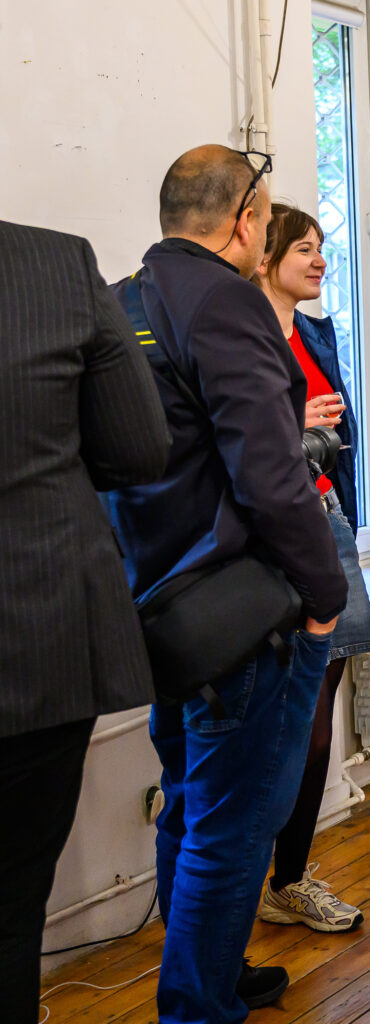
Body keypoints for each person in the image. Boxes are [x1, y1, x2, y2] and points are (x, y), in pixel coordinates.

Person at [103, 145, 348, 1022]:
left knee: (187, 808)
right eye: (269, 220)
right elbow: (271, 478)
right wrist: (326, 596)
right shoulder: (228, 302)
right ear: (246, 222)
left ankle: (209, 975)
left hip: (161, 608)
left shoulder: (122, 300)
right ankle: (198, 1007)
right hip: (241, 614)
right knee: (233, 828)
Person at [0, 221, 169, 1024]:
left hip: (43, 634)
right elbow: (137, 448)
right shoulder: (54, 264)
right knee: (13, 901)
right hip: (38, 627)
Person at [252, 203, 370, 933]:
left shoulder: (312, 333)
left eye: (322, 247)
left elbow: (340, 432)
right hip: (267, 536)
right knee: (270, 714)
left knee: (318, 713)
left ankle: (290, 879)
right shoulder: (236, 336)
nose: (320, 260)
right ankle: (248, 881)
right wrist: (293, 423)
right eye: (304, 247)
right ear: (263, 253)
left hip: (325, 519)